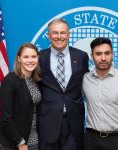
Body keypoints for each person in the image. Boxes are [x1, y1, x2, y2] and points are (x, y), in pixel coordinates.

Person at [38, 18, 89, 150]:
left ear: (68, 34)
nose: (59, 37)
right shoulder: (39, 57)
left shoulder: (81, 56)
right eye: (55, 33)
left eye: (63, 32)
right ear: (49, 36)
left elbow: (88, 83)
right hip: (48, 122)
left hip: (74, 122)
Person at [82, 37, 118, 150]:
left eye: (107, 53)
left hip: (117, 140)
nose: (103, 58)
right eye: (98, 54)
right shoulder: (85, 79)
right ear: (92, 56)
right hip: (90, 140)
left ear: (112, 54)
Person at [0, 43, 41, 150]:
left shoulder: (36, 80)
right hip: (13, 142)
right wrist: (20, 142)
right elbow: (5, 118)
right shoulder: (10, 80)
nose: (30, 60)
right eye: (26, 57)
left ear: (38, 58)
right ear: (19, 58)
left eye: (33, 57)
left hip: (33, 139)